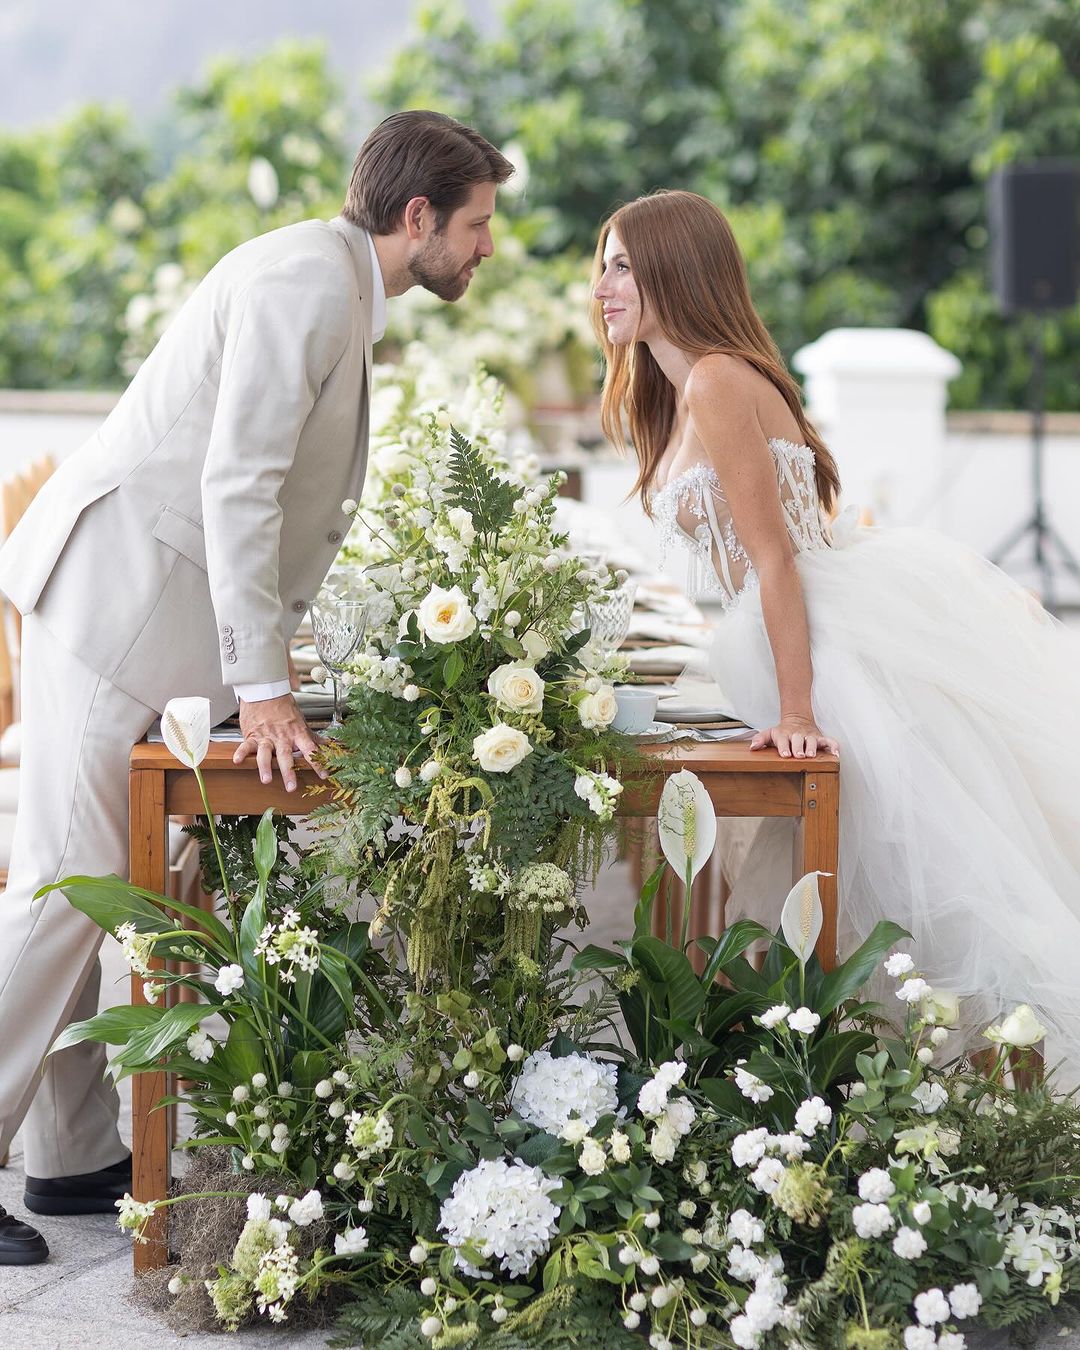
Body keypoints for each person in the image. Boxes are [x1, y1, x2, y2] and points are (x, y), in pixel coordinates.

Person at [0, 110, 513, 1264]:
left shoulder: (331, 280)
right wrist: (262, 684)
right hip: (112, 601)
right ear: (418, 214)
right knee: (64, 889)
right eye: (479, 224)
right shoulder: (307, 279)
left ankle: (70, 1155)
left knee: (89, 892)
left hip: (147, 613)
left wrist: (280, 656)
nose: (488, 248)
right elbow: (241, 484)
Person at [591, 189, 1080, 1063]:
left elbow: (776, 557)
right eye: (603, 265)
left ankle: (904, 1078)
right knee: (830, 892)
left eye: (623, 265)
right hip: (782, 631)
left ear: (676, 268)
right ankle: (837, 1079)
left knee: (925, 883)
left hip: (825, 640)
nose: (603, 285)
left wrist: (800, 710)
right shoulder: (679, 385)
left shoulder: (712, 380)